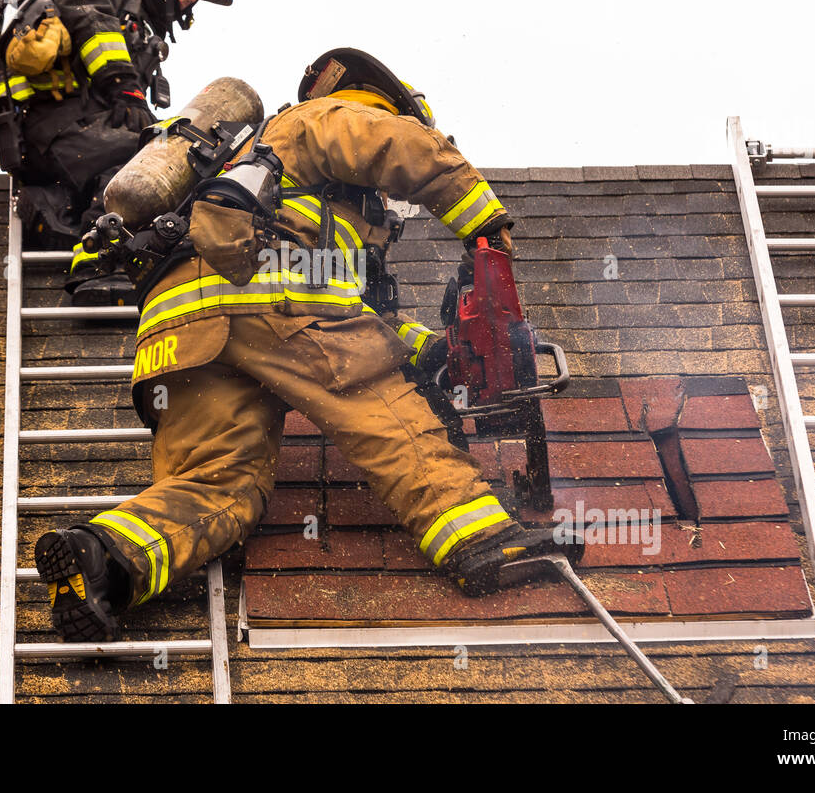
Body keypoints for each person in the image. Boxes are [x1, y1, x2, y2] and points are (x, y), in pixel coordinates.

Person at [32, 48, 581, 642]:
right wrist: (486, 230)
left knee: (223, 483)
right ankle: (481, 541)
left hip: (181, 333)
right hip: (273, 295)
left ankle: (105, 558)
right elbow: (404, 149)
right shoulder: (322, 119)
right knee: (384, 407)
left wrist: (433, 348)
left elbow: (361, 313)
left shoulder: (274, 180)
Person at [0, 0, 253, 255]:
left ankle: (51, 209)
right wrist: (123, 85)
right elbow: (87, 11)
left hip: (72, 136)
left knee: (167, 154)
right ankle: (99, 260)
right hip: (45, 121)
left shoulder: (142, 21)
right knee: (149, 165)